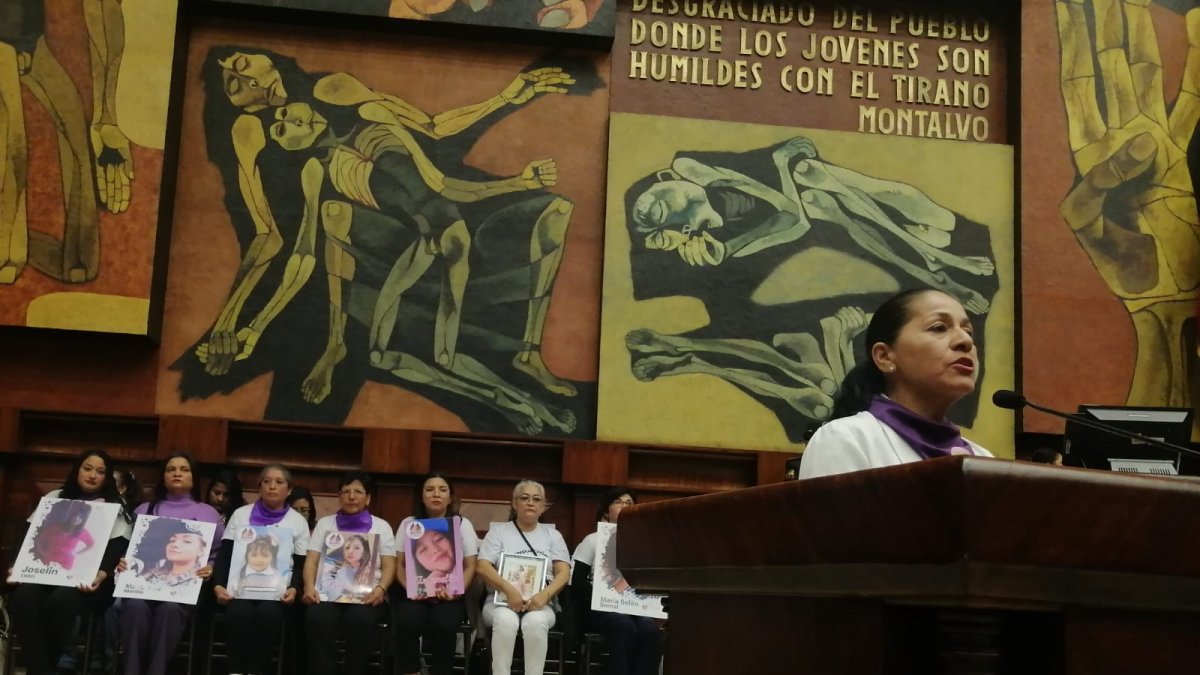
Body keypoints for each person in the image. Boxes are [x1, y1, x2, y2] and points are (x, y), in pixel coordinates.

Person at [798, 288, 994, 479]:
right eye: (939, 327)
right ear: (885, 357)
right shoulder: (845, 439)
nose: (965, 341)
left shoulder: (983, 458)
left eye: (968, 331)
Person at [7, 449, 132, 675]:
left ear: (107, 476)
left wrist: (102, 574)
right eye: (88, 468)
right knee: (23, 597)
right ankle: (42, 669)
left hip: (89, 582)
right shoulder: (55, 497)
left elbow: (118, 547)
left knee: (61, 600)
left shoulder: (116, 506)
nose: (93, 475)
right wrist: (16, 565)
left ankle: (39, 669)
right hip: (45, 572)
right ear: (77, 471)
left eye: (100, 471)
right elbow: (28, 534)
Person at [117, 451, 224, 675]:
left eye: (184, 470)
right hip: (142, 585)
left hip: (185, 588)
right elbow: (129, 549)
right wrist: (122, 564)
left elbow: (217, 554)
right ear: (163, 476)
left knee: (170, 610)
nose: (177, 473)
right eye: (171, 469)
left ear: (193, 477)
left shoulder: (209, 514)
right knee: (135, 607)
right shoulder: (143, 511)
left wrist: (211, 568)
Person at [212, 464, 310, 675]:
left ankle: (257, 670)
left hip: (278, 594)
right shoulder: (240, 515)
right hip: (240, 589)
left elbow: (302, 563)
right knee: (239, 613)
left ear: (289, 490)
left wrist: (294, 589)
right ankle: (236, 670)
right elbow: (225, 554)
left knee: (268, 616)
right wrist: (219, 585)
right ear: (259, 487)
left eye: (279, 482)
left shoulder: (298, 522)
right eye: (266, 481)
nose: (272, 486)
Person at [302, 470, 395, 675]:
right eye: (346, 491)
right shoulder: (326, 524)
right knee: (316, 616)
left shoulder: (382, 526)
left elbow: (390, 565)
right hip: (328, 595)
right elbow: (311, 561)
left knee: (360, 619)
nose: (351, 496)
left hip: (368, 596)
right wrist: (309, 587)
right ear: (339, 496)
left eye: (358, 492)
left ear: (368, 497)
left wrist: (381, 589)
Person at [476, 480, 571, 675]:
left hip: (542, 603)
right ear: (514, 503)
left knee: (535, 622)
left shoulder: (553, 536)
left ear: (543, 507)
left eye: (537, 499)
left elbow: (564, 573)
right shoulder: (498, 533)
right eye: (524, 498)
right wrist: (509, 590)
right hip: (499, 602)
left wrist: (545, 595)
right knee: (505, 620)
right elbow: (482, 567)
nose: (530, 503)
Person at [393, 472, 479, 675]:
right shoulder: (408, 523)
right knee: (406, 621)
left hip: (451, 596)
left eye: (442, 490)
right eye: (429, 489)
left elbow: (471, 566)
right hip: (415, 595)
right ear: (421, 496)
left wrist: (457, 590)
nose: (436, 494)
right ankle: (410, 672)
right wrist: (411, 588)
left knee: (444, 625)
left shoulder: (462, 524)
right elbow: (398, 564)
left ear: (450, 497)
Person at [570, 488, 662, 675]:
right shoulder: (592, 540)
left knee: (650, 630)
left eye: (629, 503)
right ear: (606, 510)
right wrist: (601, 595)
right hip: (602, 608)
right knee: (623, 626)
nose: (624, 506)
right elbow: (577, 580)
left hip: (634, 605)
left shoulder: (644, 541)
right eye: (618, 502)